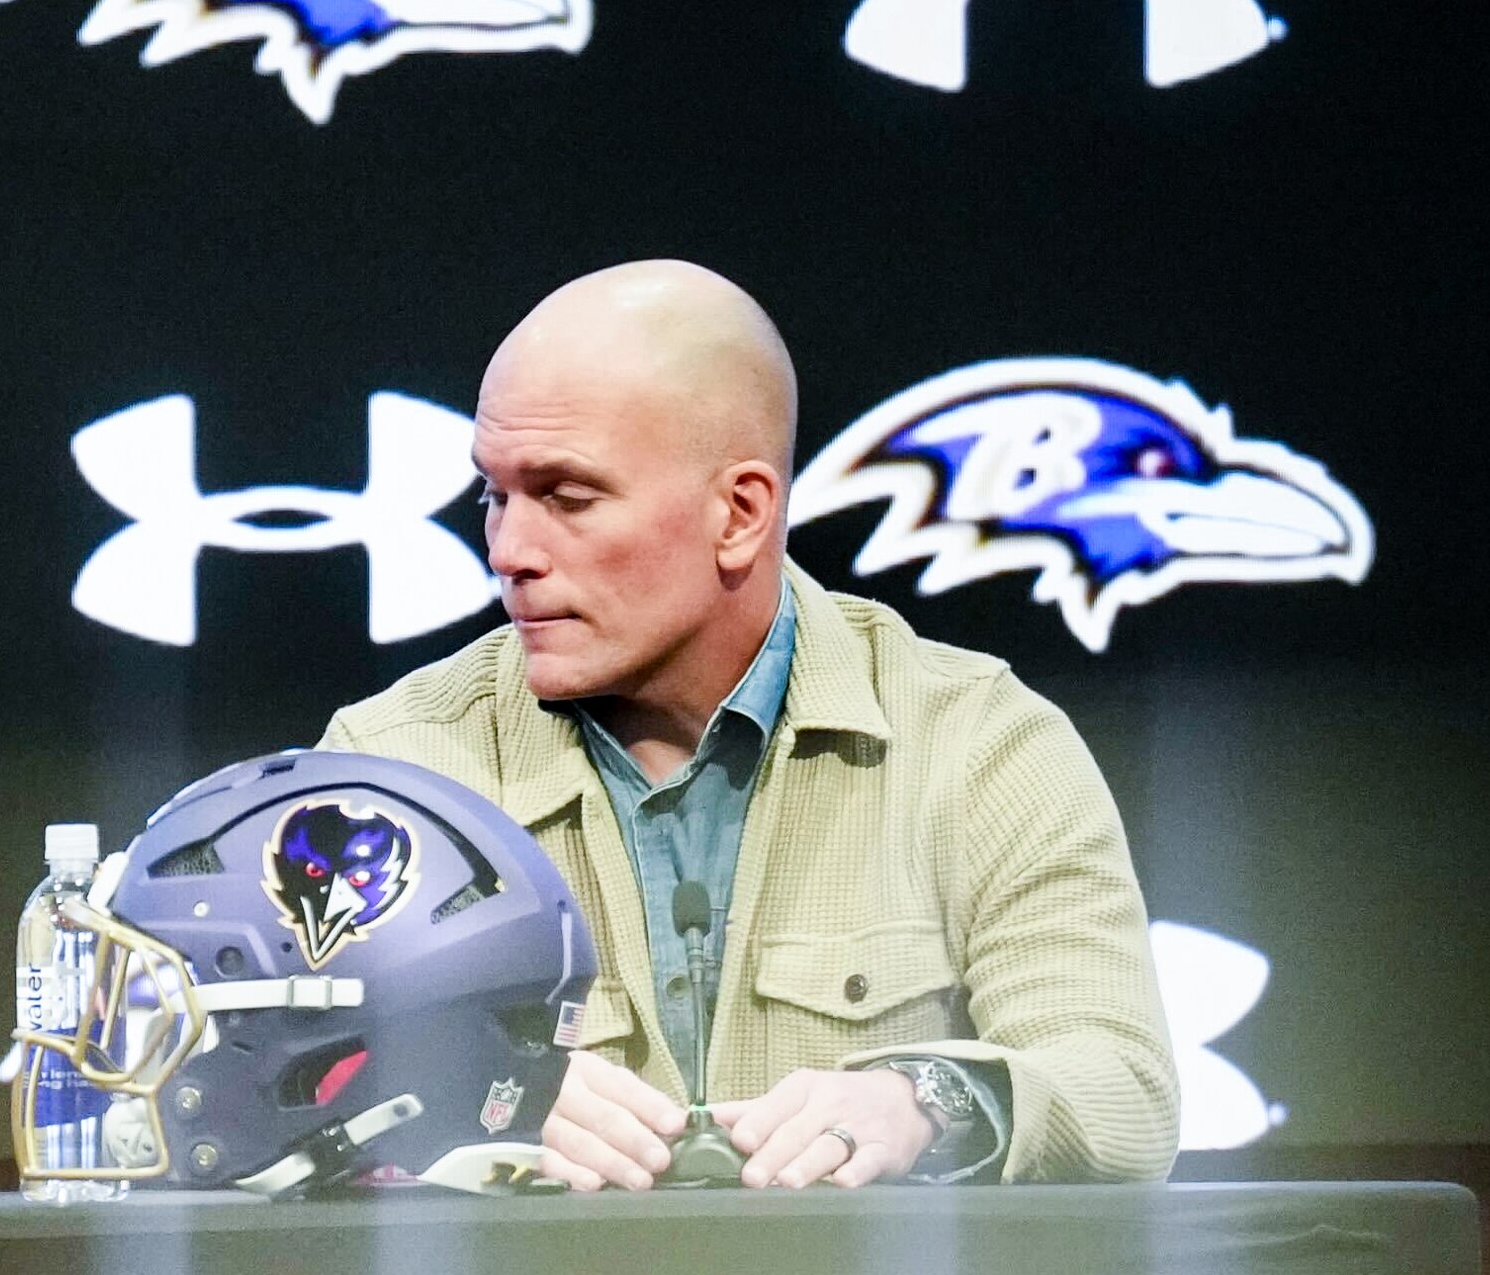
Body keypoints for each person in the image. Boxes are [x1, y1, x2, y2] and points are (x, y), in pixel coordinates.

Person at [324, 263, 1174, 1189]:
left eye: (567, 498)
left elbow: (1121, 1088)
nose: (509, 551)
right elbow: (225, 1100)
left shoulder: (977, 745)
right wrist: (462, 1090)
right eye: (493, 495)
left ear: (739, 513)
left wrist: (924, 1097)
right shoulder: (393, 773)